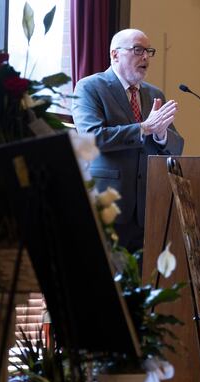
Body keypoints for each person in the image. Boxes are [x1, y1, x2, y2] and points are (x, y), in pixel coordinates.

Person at [72, 29, 184, 253]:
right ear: (115, 55)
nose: (146, 57)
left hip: (145, 208)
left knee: (140, 284)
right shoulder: (90, 87)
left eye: (149, 51)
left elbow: (177, 145)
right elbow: (92, 136)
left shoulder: (154, 94)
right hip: (107, 204)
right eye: (138, 50)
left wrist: (161, 135)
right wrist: (144, 128)